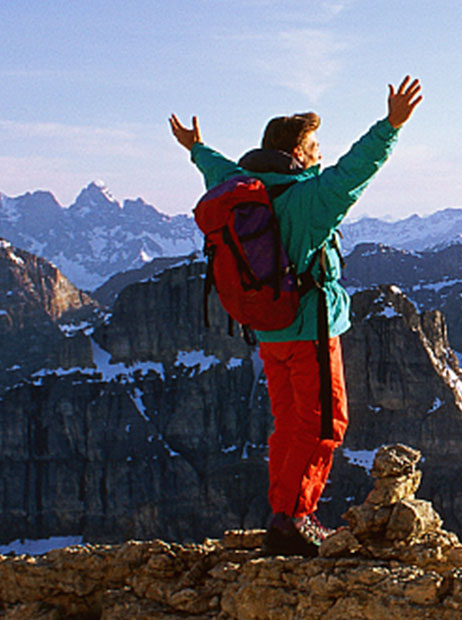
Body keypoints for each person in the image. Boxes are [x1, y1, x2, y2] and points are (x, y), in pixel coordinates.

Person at [170, 76, 423, 555]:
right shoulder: (311, 200)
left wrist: (196, 148)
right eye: (314, 147)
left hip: (269, 331)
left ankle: (282, 512)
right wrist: (390, 126)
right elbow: (355, 170)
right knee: (325, 422)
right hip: (311, 329)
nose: (320, 154)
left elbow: (217, 169)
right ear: (298, 153)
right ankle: (294, 519)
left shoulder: (240, 188)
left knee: (288, 424)